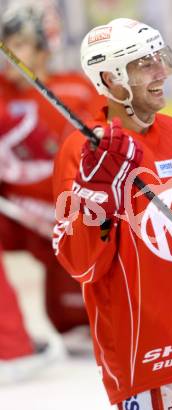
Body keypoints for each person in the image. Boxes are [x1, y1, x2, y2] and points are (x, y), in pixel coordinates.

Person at [52, 18, 172, 409]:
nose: (161, 73)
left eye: (159, 58)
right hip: (148, 362)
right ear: (110, 77)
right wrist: (96, 198)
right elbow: (81, 266)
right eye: (144, 64)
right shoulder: (82, 150)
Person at [0, 2, 102, 375]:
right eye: (6, 42)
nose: (11, 52)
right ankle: (10, 347)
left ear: (46, 46)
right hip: (15, 217)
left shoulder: (76, 90)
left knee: (76, 319)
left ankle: (92, 319)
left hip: (68, 216)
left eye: (22, 43)